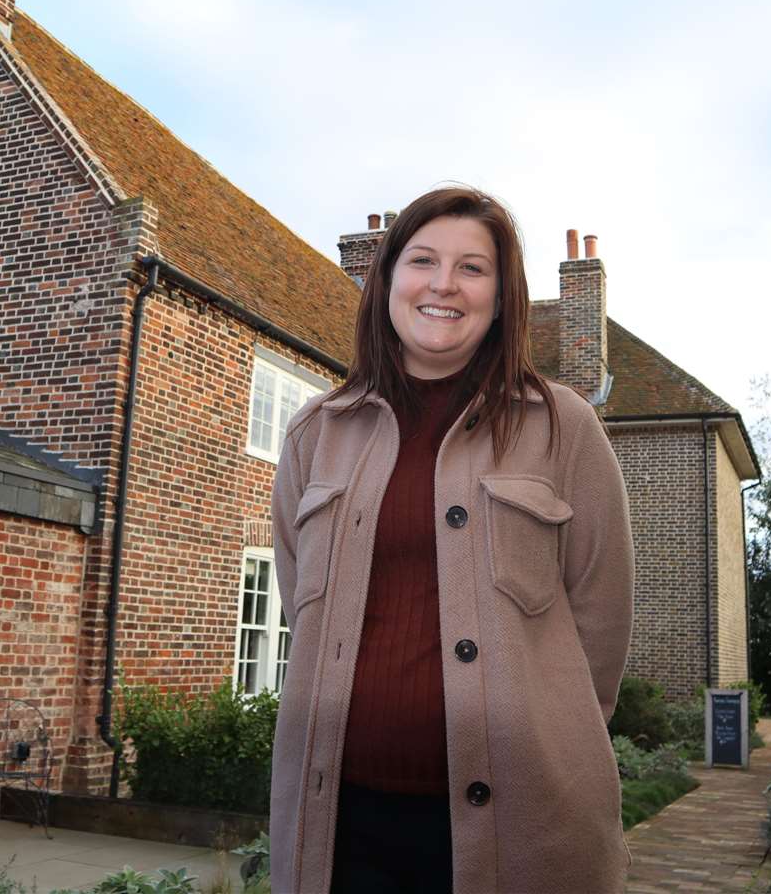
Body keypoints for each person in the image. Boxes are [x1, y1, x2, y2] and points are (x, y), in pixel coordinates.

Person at [269, 187, 634, 893]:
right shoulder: (316, 432)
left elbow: (600, 617)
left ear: (501, 298)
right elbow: (301, 603)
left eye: (472, 268)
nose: (442, 284)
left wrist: (541, 731)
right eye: (422, 261)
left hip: (520, 826)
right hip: (340, 823)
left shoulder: (563, 426)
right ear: (385, 284)